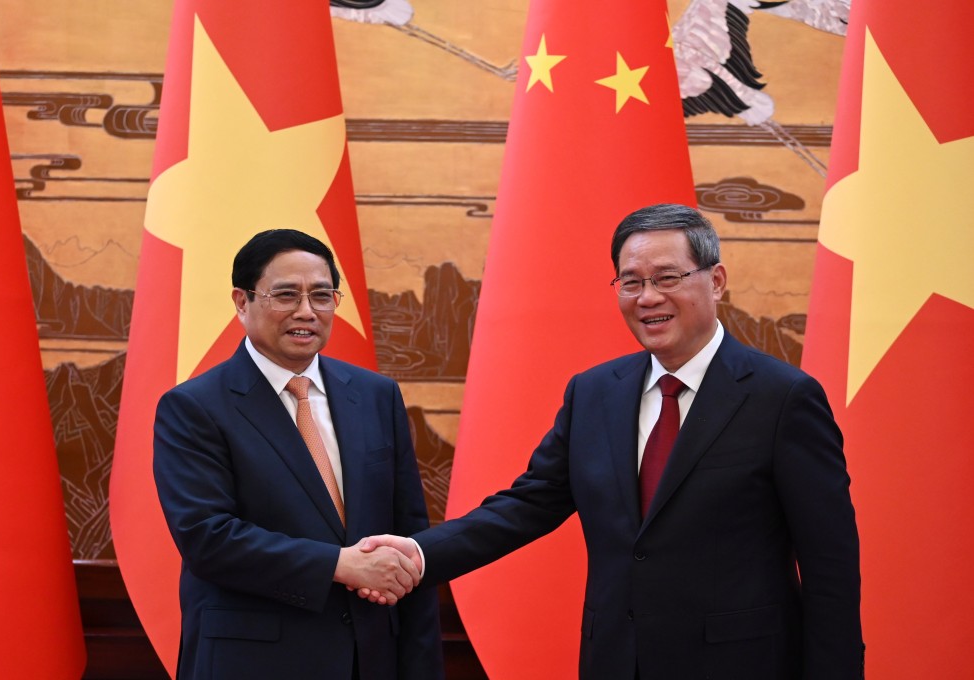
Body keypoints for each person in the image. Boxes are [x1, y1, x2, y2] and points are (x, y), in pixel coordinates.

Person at [362, 203, 863, 679]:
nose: (647, 297)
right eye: (631, 282)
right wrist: (417, 554)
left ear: (716, 281)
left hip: (741, 663)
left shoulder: (783, 397)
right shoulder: (595, 393)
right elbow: (527, 505)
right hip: (618, 662)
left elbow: (829, 566)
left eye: (667, 278)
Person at [152, 229, 444, 680]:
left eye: (322, 296)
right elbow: (207, 538)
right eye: (286, 295)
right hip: (253, 663)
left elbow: (408, 537)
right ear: (241, 301)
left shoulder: (375, 396)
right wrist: (339, 564)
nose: (306, 312)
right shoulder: (194, 407)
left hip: (370, 660)